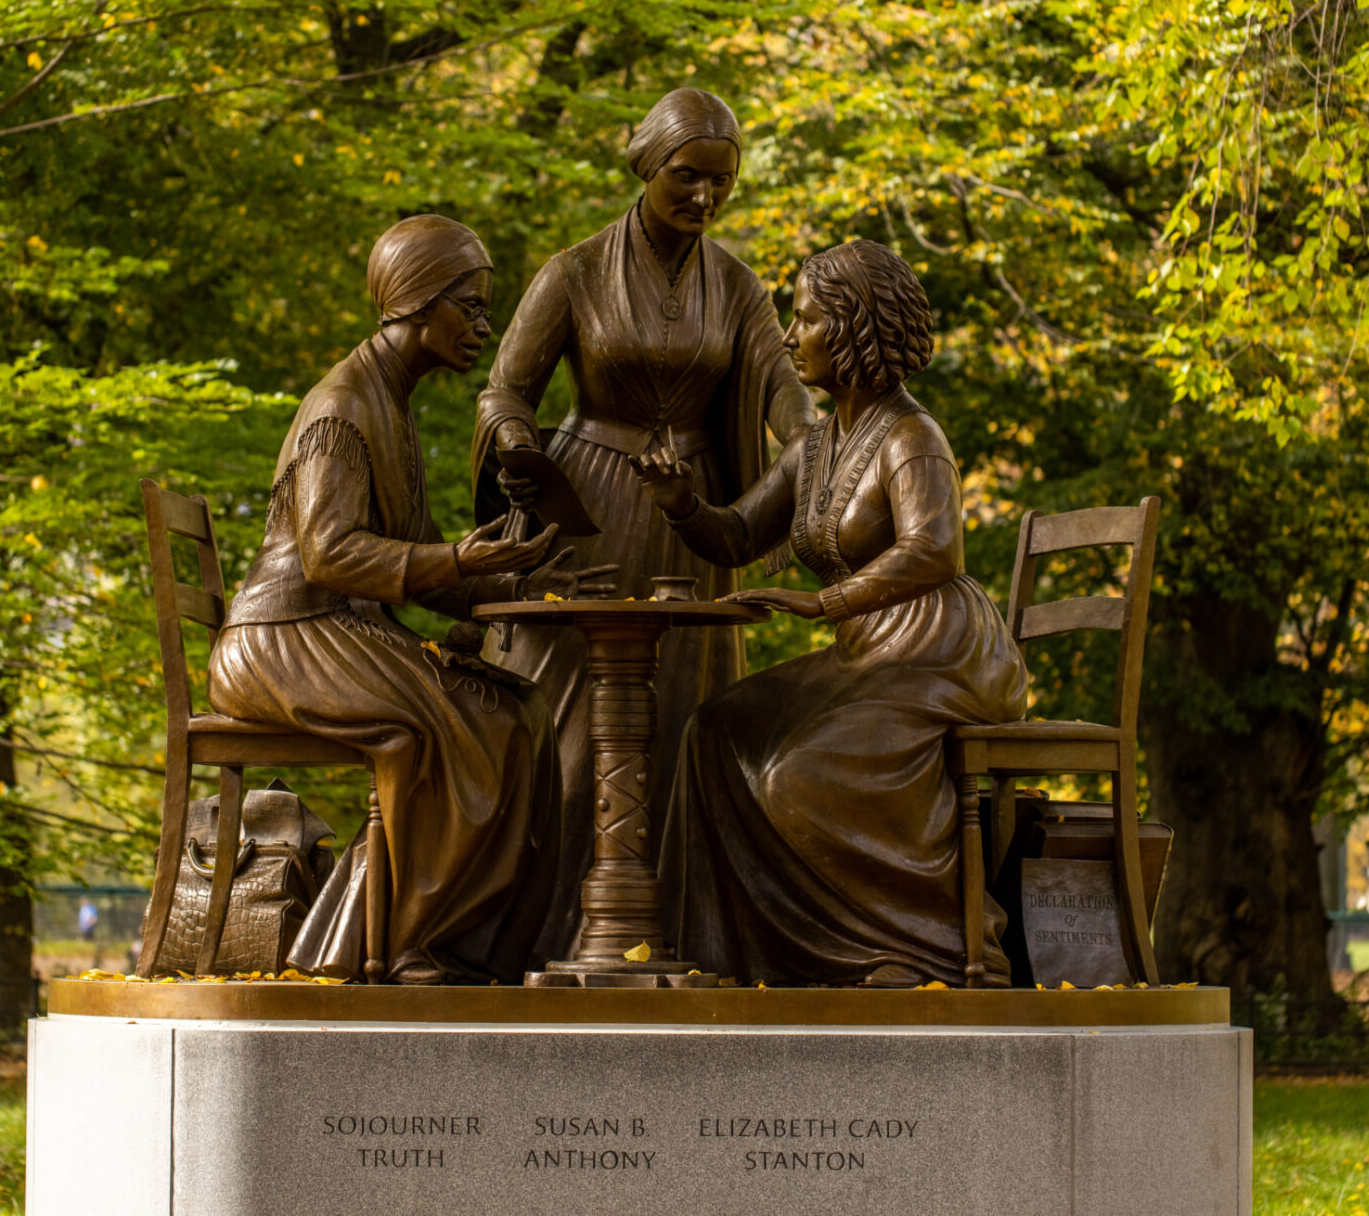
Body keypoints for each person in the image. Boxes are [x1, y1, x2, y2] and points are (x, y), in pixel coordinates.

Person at [208, 215, 610, 986]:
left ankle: (468, 946)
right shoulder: (343, 407)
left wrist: (527, 583)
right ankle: (406, 943)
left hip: (337, 629)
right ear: (418, 304)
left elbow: (423, 559)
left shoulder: (391, 403)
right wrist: (458, 556)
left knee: (520, 713)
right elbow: (330, 553)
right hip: (284, 637)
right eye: (473, 306)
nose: (485, 327)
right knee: (457, 727)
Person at [470, 88, 817, 960]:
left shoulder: (738, 286)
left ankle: (666, 931)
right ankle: (532, 934)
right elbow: (506, 389)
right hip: (583, 508)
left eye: (722, 183)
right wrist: (515, 441)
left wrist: (819, 439)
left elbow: (783, 390)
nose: (704, 197)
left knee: (681, 714)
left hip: (689, 522)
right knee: (562, 716)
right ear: (647, 167)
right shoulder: (575, 271)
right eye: (687, 177)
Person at [631, 240, 1029, 987]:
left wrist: (822, 601)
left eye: (807, 320)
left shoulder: (913, 437)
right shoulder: (816, 446)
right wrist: (681, 502)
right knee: (714, 733)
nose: (790, 337)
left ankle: (925, 947)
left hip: (937, 650)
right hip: (863, 651)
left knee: (799, 777)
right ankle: (735, 950)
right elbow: (742, 534)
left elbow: (937, 550)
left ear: (852, 333)